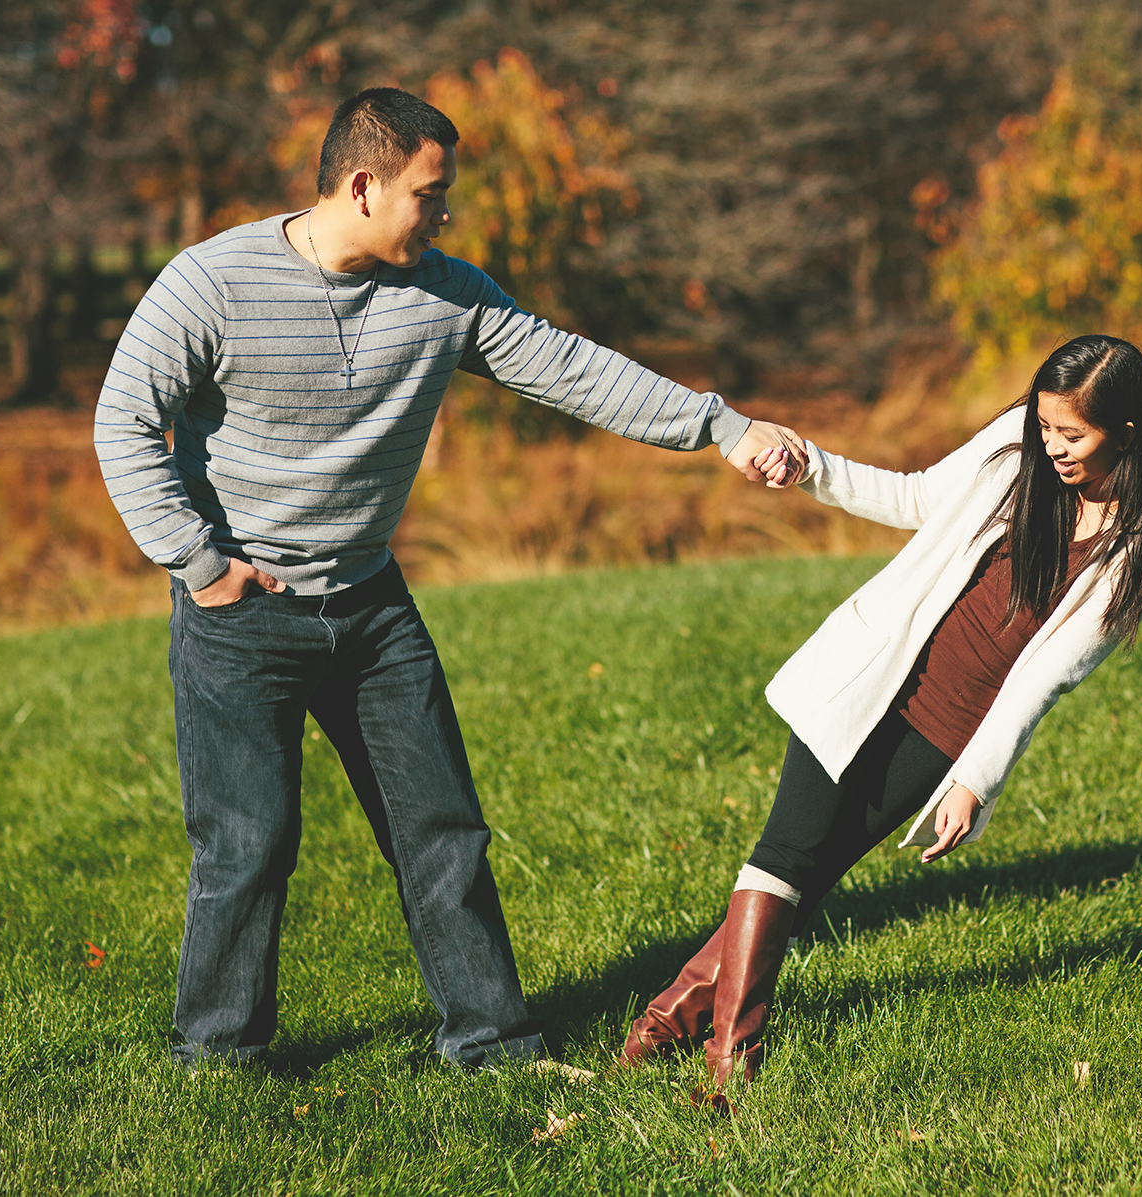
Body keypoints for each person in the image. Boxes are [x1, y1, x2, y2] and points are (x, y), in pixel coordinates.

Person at [93, 86, 806, 1070]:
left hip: (371, 608)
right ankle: (218, 1059)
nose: (445, 215)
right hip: (242, 615)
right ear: (362, 186)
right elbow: (123, 423)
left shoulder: (445, 293)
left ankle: (492, 1044)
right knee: (247, 841)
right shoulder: (211, 283)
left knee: (442, 830)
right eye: (430, 195)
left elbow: (573, 369)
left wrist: (722, 427)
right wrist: (198, 563)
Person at [617, 335, 1142, 1102]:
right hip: (869, 673)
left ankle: (662, 1023)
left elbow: (1047, 675)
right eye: (1045, 426)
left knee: (811, 876)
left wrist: (975, 778)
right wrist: (813, 467)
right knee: (786, 851)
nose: (1052, 446)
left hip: (946, 731)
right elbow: (917, 497)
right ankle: (731, 1062)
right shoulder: (1016, 444)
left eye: (1072, 434)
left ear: (1126, 431)